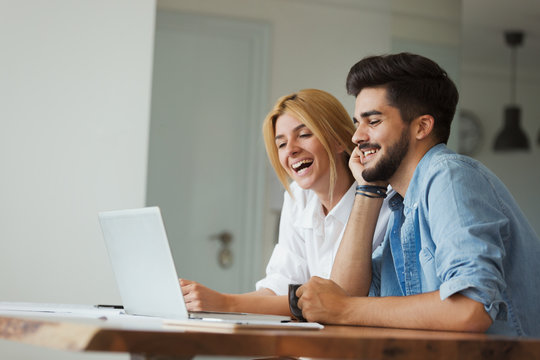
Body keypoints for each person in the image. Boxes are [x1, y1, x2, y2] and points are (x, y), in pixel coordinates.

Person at [296, 53, 540, 336]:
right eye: (356, 123)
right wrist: (368, 188)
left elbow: (471, 308)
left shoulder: (448, 177)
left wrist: (343, 308)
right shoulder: (402, 204)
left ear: (422, 126)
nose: (356, 137)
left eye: (372, 122)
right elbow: (347, 293)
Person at [180, 88, 392, 316]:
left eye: (304, 135)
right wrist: (208, 301)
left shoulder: (384, 201)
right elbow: (282, 285)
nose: (291, 150)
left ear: (339, 140)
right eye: (281, 144)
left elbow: (335, 300)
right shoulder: (297, 196)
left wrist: (225, 303)